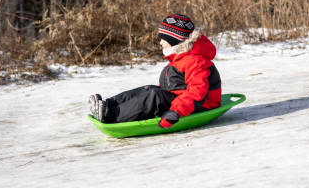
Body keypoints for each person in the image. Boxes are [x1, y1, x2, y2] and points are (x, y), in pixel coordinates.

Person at [89, 14, 222, 128]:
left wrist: (175, 112)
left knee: (154, 96)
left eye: (164, 39)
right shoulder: (180, 57)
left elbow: (197, 93)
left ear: (175, 39)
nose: (160, 43)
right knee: (149, 89)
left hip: (200, 105)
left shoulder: (195, 61)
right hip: (182, 100)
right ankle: (108, 106)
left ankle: (111, 115)